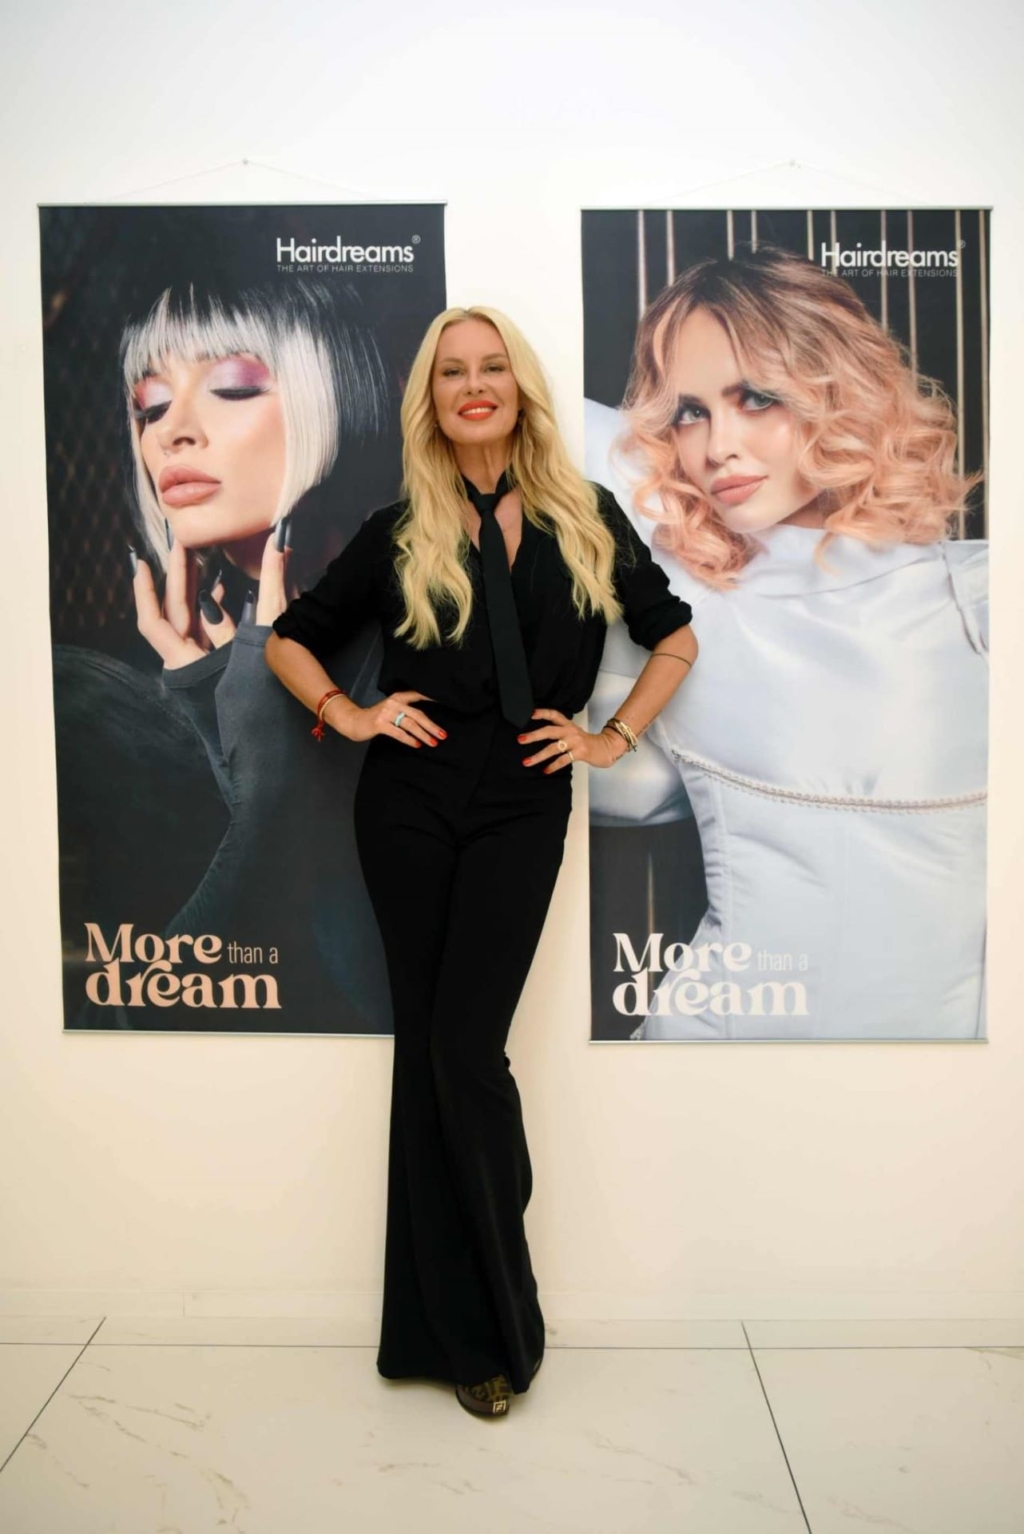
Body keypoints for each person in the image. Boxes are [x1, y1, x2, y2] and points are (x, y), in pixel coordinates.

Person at [266, 305, 697, 1415]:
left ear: (519, 386)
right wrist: (349, 716)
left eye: (490, 367)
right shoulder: (399, 525)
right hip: (407, 801)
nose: (473, 386)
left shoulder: (586, 515)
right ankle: (456, 1336)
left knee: (466, 1050)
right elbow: (291, 637)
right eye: (452, 372)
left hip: (524, 800)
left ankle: (495, 1314)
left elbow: (675, 636)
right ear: (432, 397)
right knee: (433, 1050)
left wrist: (611, 737)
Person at [585, 245, 987, 1041]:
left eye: (757, 397)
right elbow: (541, 414)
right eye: (691, 411)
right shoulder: (691, 596)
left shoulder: (978, 594)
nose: (717, 446)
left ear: (839, 392)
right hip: (713, 1068)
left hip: (956, 1099)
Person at [59, 278, 397, 1030]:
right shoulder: (214, 640)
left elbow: (362, 981)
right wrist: (206, 689)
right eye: (149, 405)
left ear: (332, 397)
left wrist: (239, 704)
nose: (170, 432)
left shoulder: (404, 631)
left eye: (232, 389)